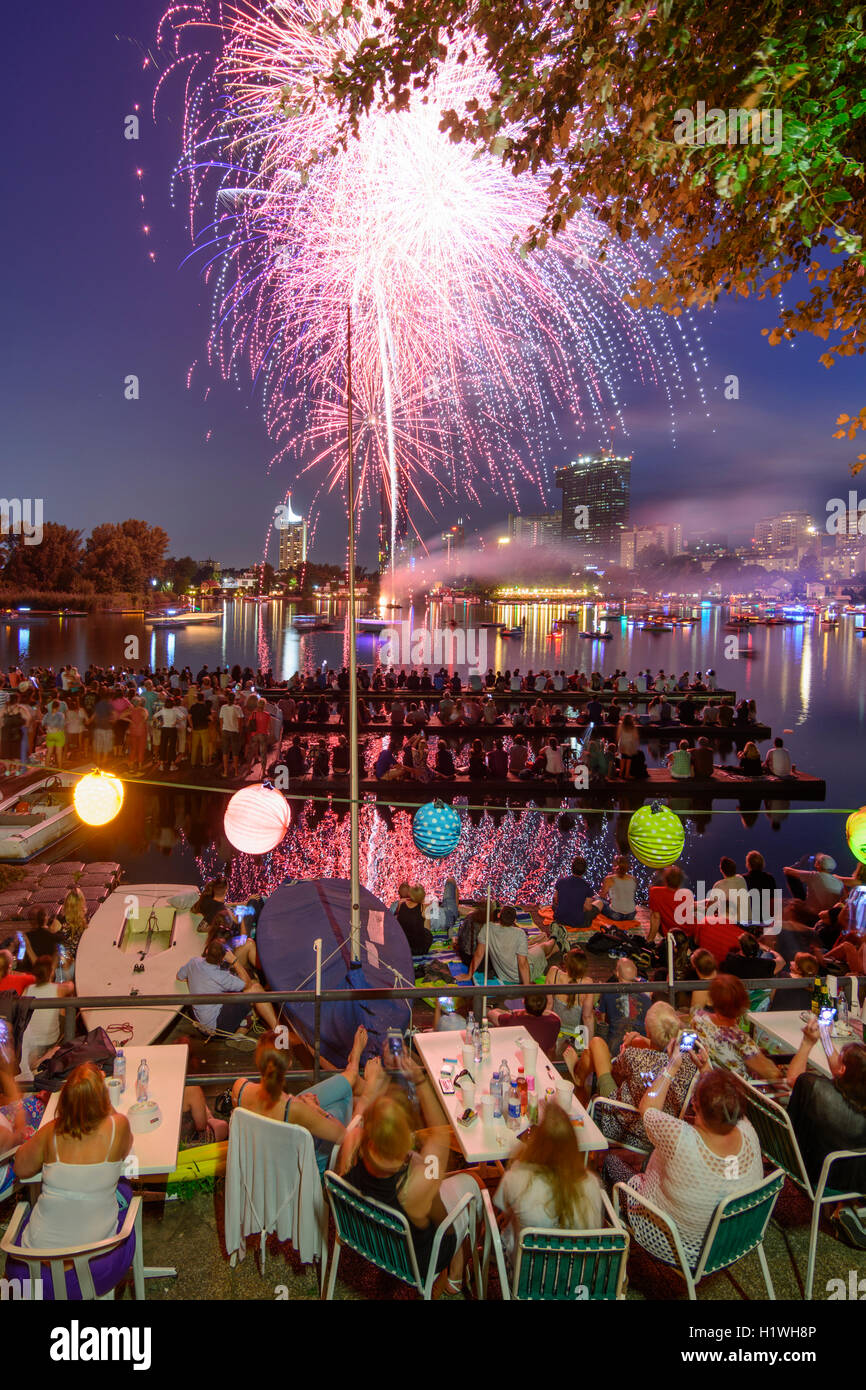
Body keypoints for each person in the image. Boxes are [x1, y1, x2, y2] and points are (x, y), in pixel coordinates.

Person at [337, 1058, 482, 1297]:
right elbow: (440, 1135)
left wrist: (373, 1088)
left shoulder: (353, 1143)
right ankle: (455, 1274)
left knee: (442, 1189)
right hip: (416, 1259)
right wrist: (420, 1080)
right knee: (473, 1184)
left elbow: (359, 1119)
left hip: (370, 1239)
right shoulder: (415, 1182)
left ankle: (454, 1271)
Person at [610, 1067, 764, 1267]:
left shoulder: (679, 1137)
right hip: (732, 1241)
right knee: (654, 1159)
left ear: (695, 1104)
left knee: (610, 1163)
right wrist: (706, 1070)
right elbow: (722, 1103)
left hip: (678, 1247)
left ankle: (609, 1251)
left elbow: (648, 1107)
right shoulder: (748, 1130)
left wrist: (673, 1063)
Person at [13, 1064, 134, 1257]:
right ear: (101, 1097)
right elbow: (126, 1150)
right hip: (98, 1260)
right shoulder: (118, 1126)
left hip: (38, 1261)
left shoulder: (51, 1131)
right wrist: (101, 1097)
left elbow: (20, 1168)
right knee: (125, 1190)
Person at [232, 1026, 371, 1176]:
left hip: (262, 1163)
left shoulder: (239, 1087)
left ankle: (352, 1073)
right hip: (294, 1172)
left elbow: (269, 1111)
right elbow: (342, 1135)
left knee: (342, 1091)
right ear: (290, 1063)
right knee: (339, 1105)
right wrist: (316, 1109)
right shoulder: (294, 1108)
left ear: (257, 1059)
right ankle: (358, 1075)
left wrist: (299, 1103)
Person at [786, 1019, 866, 1248]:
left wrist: (808, 1042)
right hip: (855, 1179)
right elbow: (841, 1071)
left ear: (842, 1070)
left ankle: (844, 1206)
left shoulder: (815, 1088)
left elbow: (793, 1078)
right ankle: (846, 1206)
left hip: (809, 1173)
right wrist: (826, 1039)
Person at [566, 1002, 698, 1138]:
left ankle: (579, 1080)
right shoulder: (688, 1063)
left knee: (596, 1044)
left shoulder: (634, 1056)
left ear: (648, 1031)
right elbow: (662, 1050)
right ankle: (580, 1079)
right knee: (593, 1055)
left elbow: (614, 1071)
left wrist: (625, 1049)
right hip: (659, 1134)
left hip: (621, 1122)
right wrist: (640, 1040)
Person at [494, 1102, 604, 1264]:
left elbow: (501, 1207)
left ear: (537, 1143)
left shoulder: (517, 1178)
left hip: (527, 1277)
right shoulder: (592, 1183)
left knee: (505, 1217)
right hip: (578, 1278)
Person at [177, 937, 279, 1036]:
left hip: (201, 1020)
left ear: (207, 951)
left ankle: (239, 1034)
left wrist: (198, 980)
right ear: (222, 959)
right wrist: (234, 960)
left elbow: (180, 976)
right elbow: (248, 985)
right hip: (216, 1025)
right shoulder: (221, 977)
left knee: (240, 989)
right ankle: (280, 1031)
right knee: (256, 989)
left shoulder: (194, 962)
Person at [692, 975, 781, 1080]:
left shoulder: (698, 1020)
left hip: (712, 1082)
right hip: (739, 1090)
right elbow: (773, 1075)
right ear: (742, 1002)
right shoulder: (741, 1041)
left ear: (712, 999)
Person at [18, 955, 75, 1081]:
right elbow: (71, 985)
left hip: (29, 1043)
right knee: (65, 1009)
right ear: (52, 972)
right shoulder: (59, 989)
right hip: (49, 1041)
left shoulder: (28, 989)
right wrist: (65, 968)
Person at [469, 906, 553, 985]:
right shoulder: (519, 933)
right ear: (515, 920)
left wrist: (469, 975)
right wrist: (527, 987)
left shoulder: (487, 928)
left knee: (534, 946)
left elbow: (479, 954)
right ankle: (554, 939)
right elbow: (522, 963)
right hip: (520, 975)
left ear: (499, 915)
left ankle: (548, 941)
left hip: (504, 975)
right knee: (542, 947)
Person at [595, 957, 651, 1055]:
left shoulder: (608, 994)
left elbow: (602, 1021)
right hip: (642, 1046)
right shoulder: (646, 997)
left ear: (617, 973)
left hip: (616, 1046)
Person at [546, 949, 595, 1051]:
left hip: (555, 1031)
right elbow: (587, 1017)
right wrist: (588, 1048)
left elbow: (549, 1005)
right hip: (576, 1037)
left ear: (566, 963)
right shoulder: (587, 983)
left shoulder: (553, 973)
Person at [488, 993, 561, 1056]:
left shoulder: (513, 1019)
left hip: (518, 1059)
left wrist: (511, 1012)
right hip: (543, 1059)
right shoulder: (555, 1020)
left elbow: (491, 1013)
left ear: (523, 1002)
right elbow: (549, 1013)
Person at [783, 854, 845, 922]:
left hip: (811, 915)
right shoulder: (839, 882)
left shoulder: (814, 876)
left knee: (791, 877)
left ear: (817, 865)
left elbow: (787, 870)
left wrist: (800, 863)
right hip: (827, 918)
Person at [647, 864, 693, 943]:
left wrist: (650, 939)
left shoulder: (655, 892)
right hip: (688, 933)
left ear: (665, 880)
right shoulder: (686, 895)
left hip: (671, 933)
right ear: (680, 881)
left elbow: (655, 917)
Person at [552, 856, 598, 930]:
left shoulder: (561, 881)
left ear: (571, 867)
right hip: (578, 922)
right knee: (599, 903)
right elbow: (588, 907)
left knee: (554, 906)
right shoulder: (587, 886)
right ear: (585, 870)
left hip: (559, 919)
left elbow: (555, 899)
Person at [396, 885, 433, 956]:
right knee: (428, 933)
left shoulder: (401, 904)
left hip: (404, 947)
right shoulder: (424, 908)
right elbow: (427, 930)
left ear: (410, 893)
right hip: (418, 949)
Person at [600, 855, 636, 922]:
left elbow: (602, 896)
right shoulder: (633, 879)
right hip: (631, 915)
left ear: (615, 865)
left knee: (597, 899)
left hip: (616, 915)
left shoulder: (609, 878)